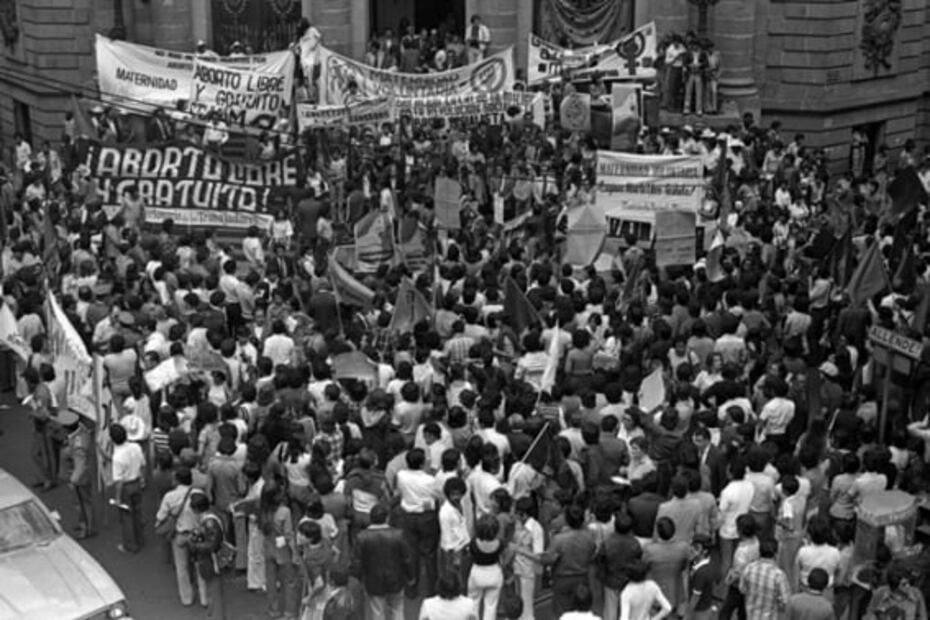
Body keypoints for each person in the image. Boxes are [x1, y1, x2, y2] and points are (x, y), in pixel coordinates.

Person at [352, 503, 413, 620]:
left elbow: (358, 562)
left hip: (373, 581)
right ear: (387, 518)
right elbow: (407, 558)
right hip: (396, 578)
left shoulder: (362, 537)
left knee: (377, 611)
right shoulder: (398, 535)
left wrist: (357, 579)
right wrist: (410, 577)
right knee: (397, 609)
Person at [188, 491, 229, 620]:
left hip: (212, 561)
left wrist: (195, 545)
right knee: (212, 592)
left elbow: (212, 545)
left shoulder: (209, 522)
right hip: (209, 560)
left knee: (214, 593)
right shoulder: (210, 518)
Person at [109, 421, 145, 554]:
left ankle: (130, 545)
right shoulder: (136, 447)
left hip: (125, 487)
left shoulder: (117, 457)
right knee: (137, 512)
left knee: (126, 517)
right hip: (136, 482)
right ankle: (140, 538)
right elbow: (142, 464)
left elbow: (118, 481)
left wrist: (117, 498)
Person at [58, 409, 94, 539]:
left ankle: (87, 528)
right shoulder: (80, 429)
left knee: (82, 504)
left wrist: (73, 481)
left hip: (79, 479)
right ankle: (83, 523)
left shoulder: (78, 444)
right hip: (78, 474)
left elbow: (80, 465)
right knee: (80, 503)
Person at [740, 539, 791, 620]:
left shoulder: (749, 568)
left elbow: (742, 589)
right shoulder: (779, 575)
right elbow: (786, 602)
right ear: (776, 555)